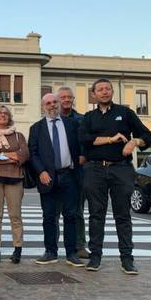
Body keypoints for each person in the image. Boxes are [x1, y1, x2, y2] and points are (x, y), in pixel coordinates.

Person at [79, 78, 151, 275]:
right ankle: (95, 257)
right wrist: (111, 139)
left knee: (123, 215)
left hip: (121, 169)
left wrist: (134, 141)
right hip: (94, 170)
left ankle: (127, 259)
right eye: (100, 89)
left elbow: (148, 136)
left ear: (112, 92)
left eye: (107, 89)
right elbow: (84, 140)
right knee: (96, 215)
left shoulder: (125, 113)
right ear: (94, 94)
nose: (104, 92)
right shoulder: (88, 117)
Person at [28, 93, 85, 267]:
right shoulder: (36, 128)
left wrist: (82, 157)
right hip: (48, 177)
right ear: (42, 107)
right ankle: (50, 251)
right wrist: (41, 172)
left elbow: (81, 144)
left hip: (69, 175)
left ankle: (71, 253)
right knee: (49, 216)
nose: (52, 105)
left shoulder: (72, 124)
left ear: (59, 104)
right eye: (48, 103)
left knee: (71, 215)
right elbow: (33, 153)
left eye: (55, 102)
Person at [0, 105, 28, 264]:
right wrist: (12, 157)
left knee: (15, 215)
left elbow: (23, 155)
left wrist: (2, 156)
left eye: (5, 113)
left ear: (9, 118)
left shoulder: (18, 136)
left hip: (15, 178)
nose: (2, 115)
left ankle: (17, 249)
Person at [56, 86, 89, 259]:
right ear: (58, 99)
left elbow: (87, 142)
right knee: (53, 212)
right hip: (56, 173)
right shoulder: (51, 120)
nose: (67, 100)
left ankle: (80, 245)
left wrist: (84, 154)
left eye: (69, 97)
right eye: (63, 97)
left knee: (77, 211)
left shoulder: (82, 120)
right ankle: (51, 246)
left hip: (77, 173)